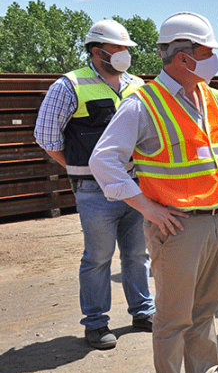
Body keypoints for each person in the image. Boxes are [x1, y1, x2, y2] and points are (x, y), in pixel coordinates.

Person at [89, 12, 218, 373]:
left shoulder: (209, 97)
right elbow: (104, 162)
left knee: (207, 306)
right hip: (175, 226)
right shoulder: (143, 103)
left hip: (213, 219)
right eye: (206, 52)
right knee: (174, 315)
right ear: (182, 57)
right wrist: (147, 207)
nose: (214, 60)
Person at [35, 19, 154, 350]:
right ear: (96, 51)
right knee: (98, 258)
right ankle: (96, 323)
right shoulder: (68, 86)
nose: (122, 54)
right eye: (116, 49)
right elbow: (45, 137)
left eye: (125, 49)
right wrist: (83, 170)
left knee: (137, 254)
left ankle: (143, 311)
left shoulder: (139, 86)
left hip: (135, 186)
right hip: (94, 191)